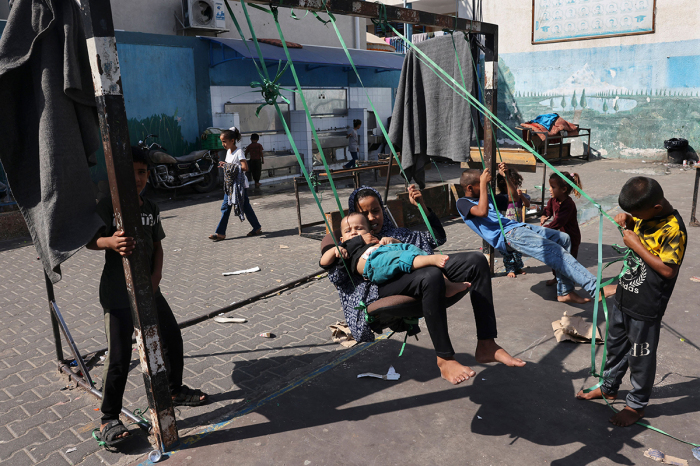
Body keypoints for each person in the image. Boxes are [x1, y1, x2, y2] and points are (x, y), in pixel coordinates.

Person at [321, 185, 525, 386]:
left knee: (476, 260)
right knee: (431, 273)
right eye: (364, 213)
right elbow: (335, 274)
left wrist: (422, 206)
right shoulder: (347, 244)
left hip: (419, 273)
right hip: (379, 289)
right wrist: (358, 242)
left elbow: (436, 238)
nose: (372, 217)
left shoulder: (396, 233)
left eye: (376, 211)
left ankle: (486, 344)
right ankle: (445, 358)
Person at [87, 147, 207, 447]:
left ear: (148, 176)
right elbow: (90, 240)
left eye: (142, 172)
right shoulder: (107, 207)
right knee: (118, 357)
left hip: (149, 289)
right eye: (130, 173)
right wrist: (109, 241)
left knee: (171, 337)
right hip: (117, 295)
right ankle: (109, 417)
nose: (137, 178)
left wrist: (156, 279)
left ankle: (174, 390)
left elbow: (159, 247)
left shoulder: (151, 208)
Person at [576, 177, 687, 427]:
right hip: (624, 297)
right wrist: (627, 219)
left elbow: (668, 270)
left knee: (640, 357)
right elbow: (637, 220)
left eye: (637, 213)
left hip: (647, 307)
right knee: (614, 347)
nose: (635, 217)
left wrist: (636, 246)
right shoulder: (647, 215)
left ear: (656, 208)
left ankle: (636, 405)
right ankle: (609, 387)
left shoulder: (673, 229)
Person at [457, 164, 597, 304]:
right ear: (470, 188)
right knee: (555, 250)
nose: (485, 186)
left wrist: (506, 177)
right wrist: (483, 184)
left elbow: (513, 198)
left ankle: (565, 291)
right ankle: (596, 288)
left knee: (564, 238)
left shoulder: (486, 197)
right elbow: (482, 212)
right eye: (481, 183)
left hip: (519, 226)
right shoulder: (463, 203)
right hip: (508, 235)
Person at [320, 212, 469, 296]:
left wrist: (392, 241)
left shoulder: (373, 240)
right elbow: (323, 262)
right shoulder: (344, 248)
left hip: (382, 253)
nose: (353, 232)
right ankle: (430, 260)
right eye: (348, 231)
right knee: (398, 258)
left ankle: (446, 283)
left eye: (359, 228)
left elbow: (402, 246)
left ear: (370, 232)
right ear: (341, 239)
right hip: (372, 264)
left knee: (409, 248)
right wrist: (334, 250)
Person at [209, 127, 262, 240]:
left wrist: (229, 166)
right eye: (221, 141)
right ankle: (221, 233)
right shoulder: (228, 152)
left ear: (232, 140)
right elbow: (231, 166)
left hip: (239, 186)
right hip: (230, 185)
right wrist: (225, 164)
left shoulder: (239, 152)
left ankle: (256, 227)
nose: (222, 144)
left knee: (245, 207)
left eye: (224, 141)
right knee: (226, 208)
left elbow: (244, 167)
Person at [541, 171, 583, 286]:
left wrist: (543, 230)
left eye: (553, 187)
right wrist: (545, 215)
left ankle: (568, 285)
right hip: (560, 237)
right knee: (556, 259)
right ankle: (557, 278)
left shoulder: (568, 205)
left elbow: (558, 222)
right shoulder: (553, 200)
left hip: (571, 239)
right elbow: (548, 209)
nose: (549, 189)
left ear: (564, 189)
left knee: (568, 262)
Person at [495, 166, 530, 278]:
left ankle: (518, 267)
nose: (513, 187)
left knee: (518, 250)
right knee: (507, 252)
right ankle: (510, 269)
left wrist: (521, 197)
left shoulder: (520, 196)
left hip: (518, 227)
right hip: (506, 230)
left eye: (515, 184)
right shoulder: (501, 198)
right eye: (510, 184)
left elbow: (528, 204)